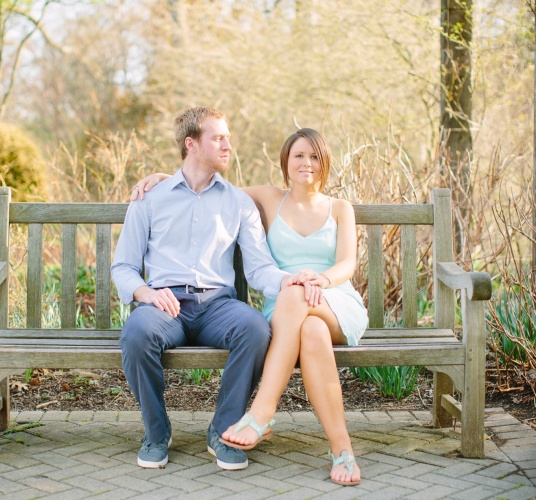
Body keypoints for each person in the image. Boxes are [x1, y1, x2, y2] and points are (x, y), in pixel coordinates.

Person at [132, 127, 368, 486]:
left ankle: (262, 412)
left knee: (303, 303)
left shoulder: (340, 208)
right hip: (291, 311)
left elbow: (347, 264)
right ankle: (342, 450)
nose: (307, 163)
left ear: (325, 163)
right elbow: (203, 188)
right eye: (299, 156)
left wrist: (321, 280)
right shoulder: (270, 198)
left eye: (315, 156)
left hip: (333, 299)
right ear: (286, 162)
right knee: (310, 328)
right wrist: (167, 178)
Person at [111, 107, 316, 472]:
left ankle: (224, 430)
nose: (228, 145)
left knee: (254, 329)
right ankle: (157, 434)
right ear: (191, 143)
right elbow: (123, 267)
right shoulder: (151, 198)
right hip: (164, 304)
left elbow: (259, 268)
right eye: (218, 138)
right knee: (136, 334)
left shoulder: (238, 202)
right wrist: (146, 294)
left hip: (217, 306)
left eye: (228, 137)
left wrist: (287, 280)